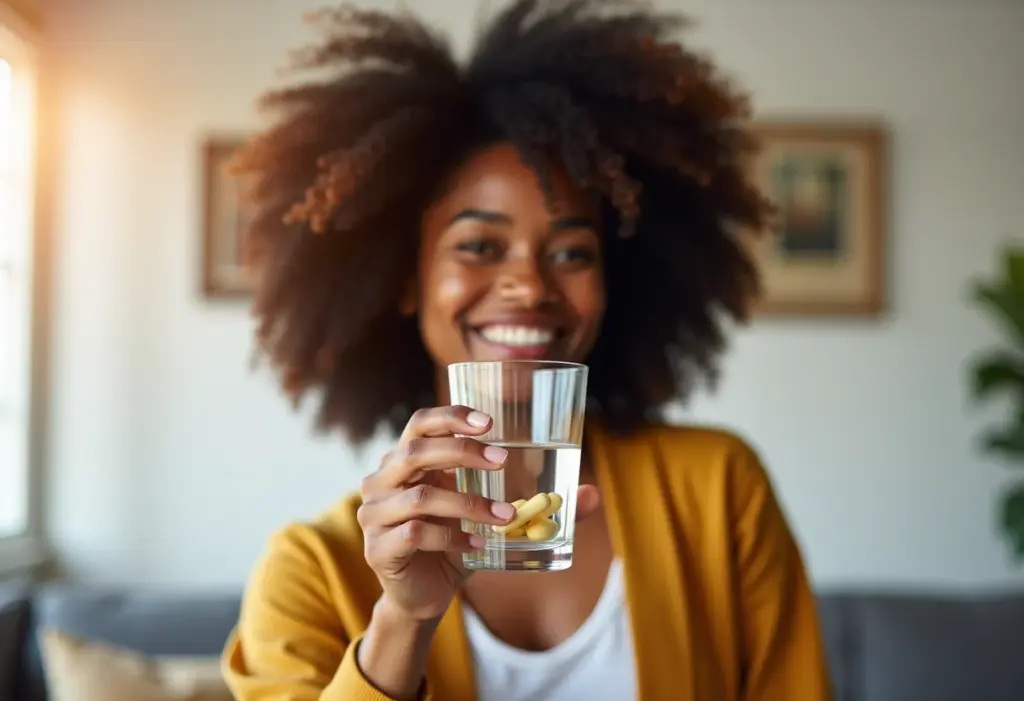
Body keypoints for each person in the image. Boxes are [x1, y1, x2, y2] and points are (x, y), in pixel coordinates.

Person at [220, 1, 834, 700]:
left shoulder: (719, 490)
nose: (529, 284)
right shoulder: (307, 571)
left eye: (572, 251)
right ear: (403, 281)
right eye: (479, 246)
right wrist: (404, 619)